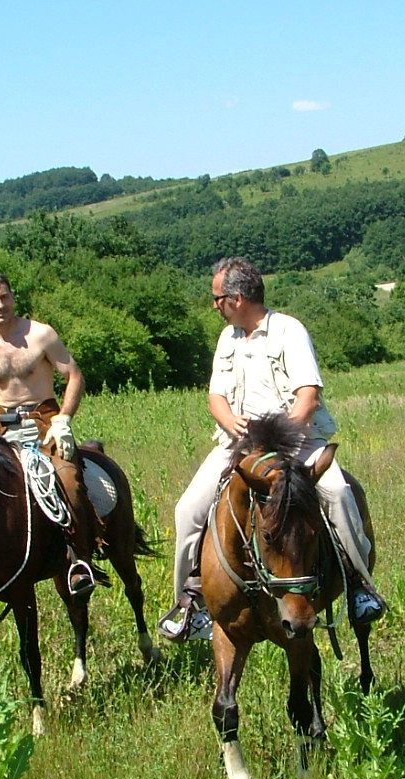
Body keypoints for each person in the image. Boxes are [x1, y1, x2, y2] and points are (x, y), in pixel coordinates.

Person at [157, 256, 385, 641]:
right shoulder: (226, 339)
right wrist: (229, 422)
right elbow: (215, 397)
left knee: (338, 493)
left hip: (298, 441)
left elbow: (308, 396)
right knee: (188, 510)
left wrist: (283, 440)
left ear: (238, 297)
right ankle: (190, 601)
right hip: (239, 446)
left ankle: (359, 586)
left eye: (218, 299)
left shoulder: (288, 331)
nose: (214, 305)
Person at [0, 272, 101, 596]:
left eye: (4, 297)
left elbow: (74, 376)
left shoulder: (41, 335)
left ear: (13, 297)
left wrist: (64, 419)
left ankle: (78, 560)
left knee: (67, 479)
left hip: (46, 420)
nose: (0, 305)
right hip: (3, 428)